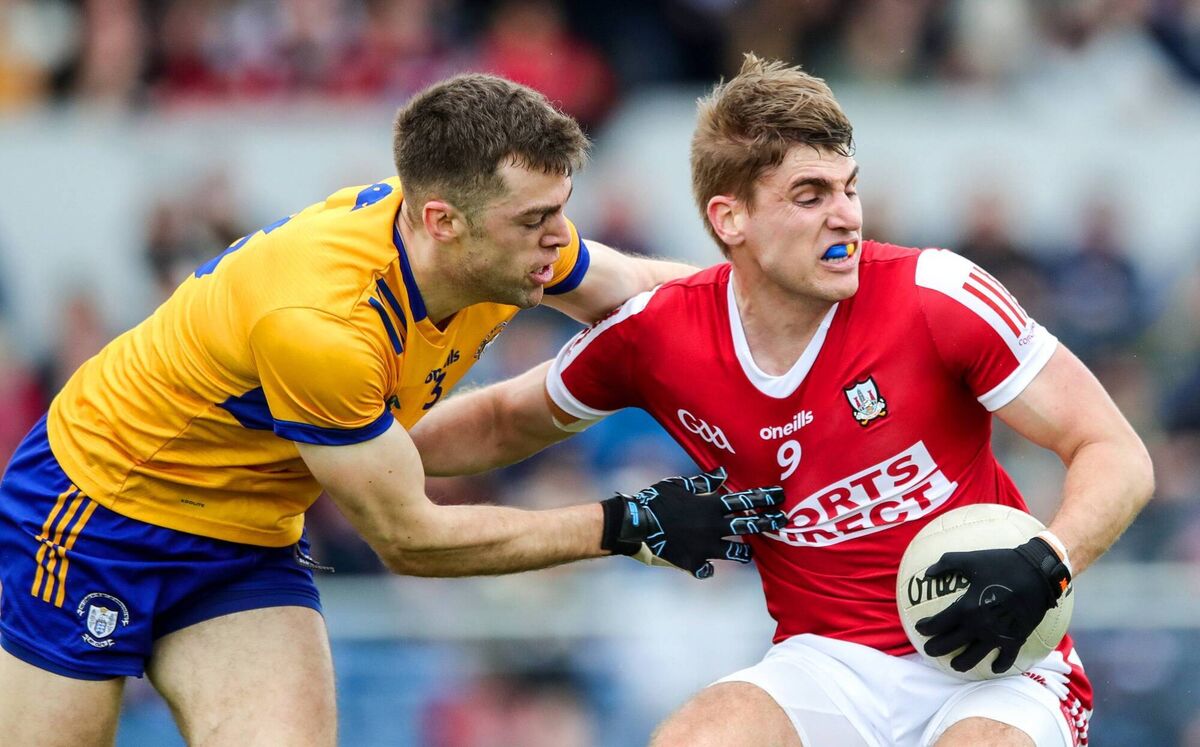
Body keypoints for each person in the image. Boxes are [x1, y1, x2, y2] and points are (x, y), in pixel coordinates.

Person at [0, 73, 788, 746]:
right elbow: (411, 538)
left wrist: (797, 304)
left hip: (245, 538)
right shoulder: (325, 329)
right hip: (93, 516)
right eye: (534, 220)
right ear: (443, 221)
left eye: (560, 209)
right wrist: (627, 524)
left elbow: (654, 297)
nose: (560, 239)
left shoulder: (498, 247)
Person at [410, 55, 1155, 746]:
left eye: (849, 188)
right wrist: (357, 446)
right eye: (810, 195)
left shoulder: (939, 294)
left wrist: (1050, 559)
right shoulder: (658, 335)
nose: (846, 215)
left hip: (1001, 665)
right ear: (729, 218)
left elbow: (1114, 450)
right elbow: (501, 421)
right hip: (831, 663)